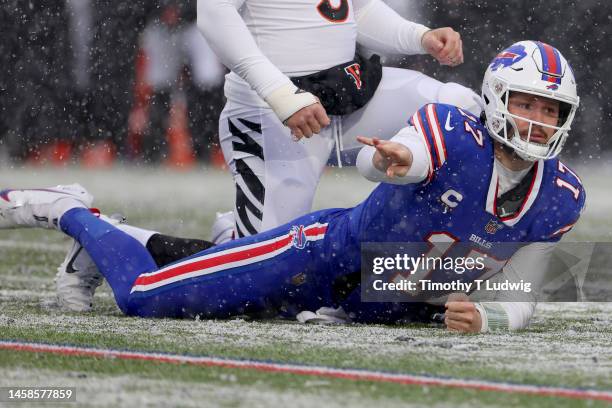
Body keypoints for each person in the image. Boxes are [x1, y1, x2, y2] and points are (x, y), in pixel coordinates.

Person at [0, 41, 584, 332]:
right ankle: (68, 210)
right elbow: (388, 163)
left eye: (550, 109)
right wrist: (397, 162)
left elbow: (529, 283)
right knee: (146, 298)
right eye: (527, 103)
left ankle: (124, 234)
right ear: (497, 99)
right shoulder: (456, 133)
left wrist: (490, 318)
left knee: (217, 276)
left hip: (383, 304)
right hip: (321, 257)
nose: (537, 120)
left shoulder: (561, 195)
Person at [197, 0, 482, 239]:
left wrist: (419, 36)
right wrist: (280, 93)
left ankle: (419, 245)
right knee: (268, 267)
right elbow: (214, 15)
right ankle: (227, 238)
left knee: (459, 109)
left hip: (346, 92)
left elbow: (358, 11)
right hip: (271, 112)